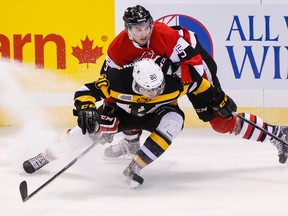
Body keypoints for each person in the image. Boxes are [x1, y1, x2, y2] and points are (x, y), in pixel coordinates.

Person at [99, 5, 288, 163]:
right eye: (137, 29)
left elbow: (196, 70)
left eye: (146, 27)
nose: (143, 33)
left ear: (151, 25)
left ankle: (278, 134)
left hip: (193, 66)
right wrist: (109, 106)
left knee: (221, 121)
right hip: (162, 73)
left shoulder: (167, 37)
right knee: (133, 97)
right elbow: (107, 79)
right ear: (127, 30)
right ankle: (131, 143)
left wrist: (215, 97)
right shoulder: (118, 48)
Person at [23, 58, 237, 188]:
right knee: (84, 132)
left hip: (157, 114)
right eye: (148, 90)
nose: (153, 93)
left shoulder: (173, 84)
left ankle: (135, 167)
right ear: (136, 82)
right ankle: (45, 157)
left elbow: (199, 85)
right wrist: (87, 109)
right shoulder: (116, 80)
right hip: (122, 115)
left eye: (158, 88)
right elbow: (85, 91)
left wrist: (221, 100)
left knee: (174, 120)